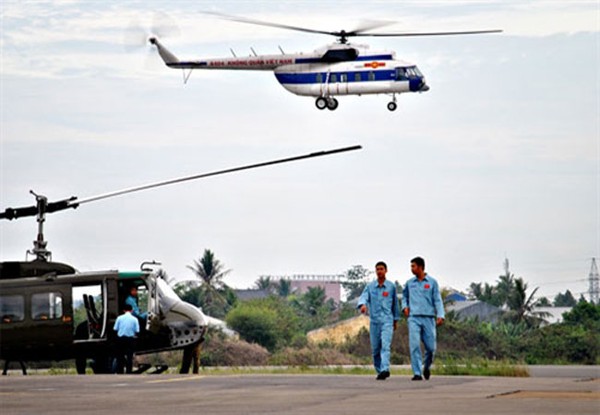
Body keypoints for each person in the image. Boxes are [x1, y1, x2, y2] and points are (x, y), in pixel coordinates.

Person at [402, 256, 444, 381]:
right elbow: (404, 297)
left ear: (420, 267)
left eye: (413, 266)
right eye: (411, 266)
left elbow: (437, 300)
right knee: (414, 345)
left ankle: (426, 366)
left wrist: (440, 315)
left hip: (429, 318)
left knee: (431, 348)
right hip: (414, 318)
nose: (411, 269)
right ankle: (417, 372)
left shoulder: (432, 282)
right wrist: (405, 307)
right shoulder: (409, 283)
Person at [357, 261, 400, 380]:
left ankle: (385, 369)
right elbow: (363, 297)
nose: (379, 271)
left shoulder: (391, 287)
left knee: (385, 346)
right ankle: (380, 370)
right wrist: (363, 305)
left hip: (387, 321)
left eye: (381, 269)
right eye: (377, 269)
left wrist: (395, 320)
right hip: (375, 321)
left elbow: (395, 304)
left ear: (386, 270)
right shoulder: (370, 286)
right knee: (375, 349)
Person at [113, 303, 139, 374]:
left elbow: (115, 328)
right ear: (131, 310)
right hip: (130, 339)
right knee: (129, 357)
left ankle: (120, 371)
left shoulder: (119, 318)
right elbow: (137, 330)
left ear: (123, 310)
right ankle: (128, 371)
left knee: (120, 356)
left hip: (121, 339)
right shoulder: (135, 319)